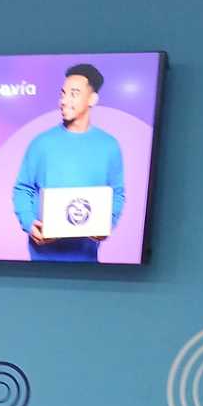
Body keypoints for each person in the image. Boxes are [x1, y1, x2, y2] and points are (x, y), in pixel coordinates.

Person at [12, 63, 125, 262]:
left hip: (87, 260)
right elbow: (23, 189)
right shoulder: (41, 143)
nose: (64, 101)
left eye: (74, 94)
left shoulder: (109, 146)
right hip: (41, 261)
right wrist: (29, 223)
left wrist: (108, 223)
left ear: (92, 99)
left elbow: (117, 193)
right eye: (63, 94)